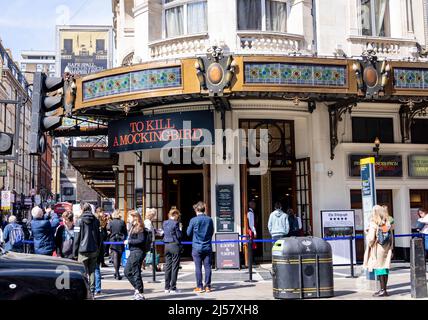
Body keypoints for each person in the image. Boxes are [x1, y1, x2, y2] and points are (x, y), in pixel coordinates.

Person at [363, 205, 393, 297]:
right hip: (386, 248)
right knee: (385, 268)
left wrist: (367, 232)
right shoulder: (387, 222)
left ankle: (383, 290)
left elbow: (371, 239)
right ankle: (384, 289)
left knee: (380, 268)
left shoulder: (374, 223)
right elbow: (390, 236)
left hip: (378, 249)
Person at [73, 203, 101, 296]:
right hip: (94, 249)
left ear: (82, 209)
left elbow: (76, 238)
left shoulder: (79, 220)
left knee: (82, 272)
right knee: (92, 271)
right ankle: (92, 291)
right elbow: (99, 237)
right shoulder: (96, 220)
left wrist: (75, 252)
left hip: (82, 250)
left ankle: (84, 290)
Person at [187, 201, 214, 293]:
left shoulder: (193, 220)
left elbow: (188, 233)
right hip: (207, 246)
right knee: (208, 267)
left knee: (198, 267)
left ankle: (199, 286)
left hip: (196, 246)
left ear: (197, 209)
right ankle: (208, 286)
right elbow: (211, 232)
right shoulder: (209, 219)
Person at [124, 210, 148, 300]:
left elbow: (141, 240)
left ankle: (139, 292)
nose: (128, 219)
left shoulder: (140, 227)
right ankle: (138, 289)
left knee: (136, 272)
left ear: (135, 217)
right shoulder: (133, 226)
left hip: (137, 252)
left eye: (130, 217)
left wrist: (129, 241)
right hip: (133, 251)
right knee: (127, 272)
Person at [163, 208, 182, 294]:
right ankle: (173, 287)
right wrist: (180, 229)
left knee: (168, 266)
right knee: (175, 267)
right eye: (177, 216)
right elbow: (179, 235)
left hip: (166, 245)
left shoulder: (165, 222)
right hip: (174, 245)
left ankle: (166, 287)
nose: (178, 217)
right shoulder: (176, 223)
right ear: (175, 215)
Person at [107, 210, 128, 280]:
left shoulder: (111, 222)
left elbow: (108, 229)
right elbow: (125, 232)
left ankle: (117, 273)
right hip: (121, 240)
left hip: (113, 240)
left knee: (115, 256)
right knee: (119, 257)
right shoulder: (122, 222)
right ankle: (117, 273)